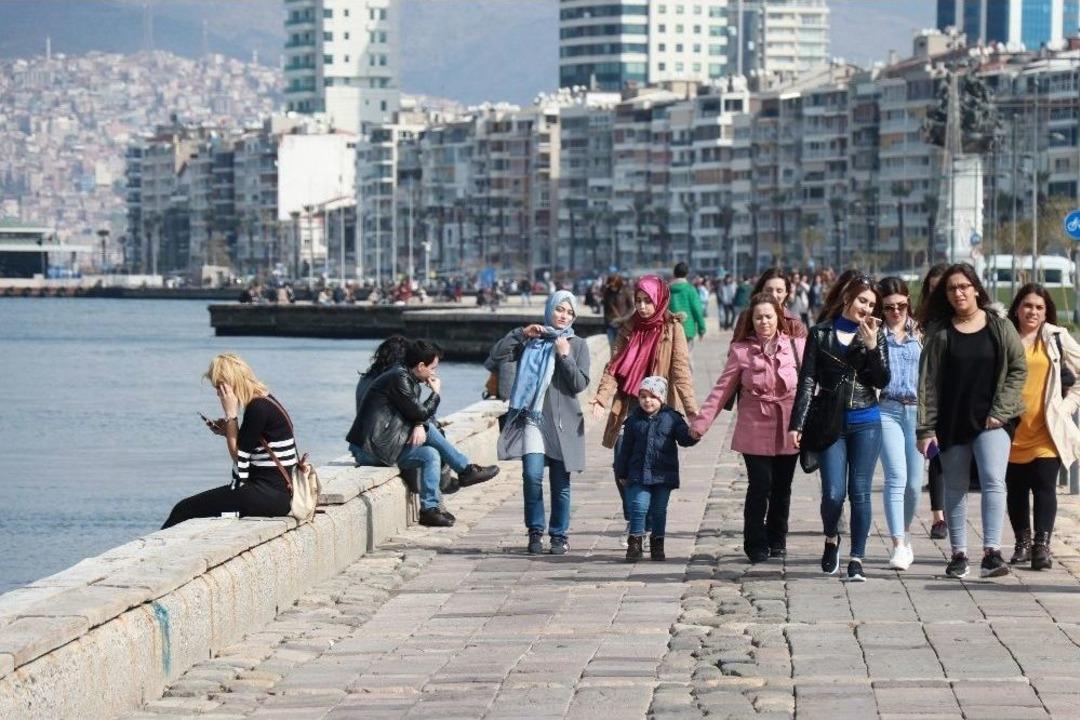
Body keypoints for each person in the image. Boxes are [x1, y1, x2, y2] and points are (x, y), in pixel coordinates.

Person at [917, 264, 1027, 579]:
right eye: (952, 288)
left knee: (993, 479)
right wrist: (925, 428)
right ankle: (959, 554)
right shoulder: (940, 332)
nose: (959, 293)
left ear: (976, 288)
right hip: (952, 420)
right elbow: (926, 383)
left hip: (992, 420)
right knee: (955, 486)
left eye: (964, 286)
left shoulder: (999, 326)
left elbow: (1018, 367)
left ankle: (992, 553)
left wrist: (1001, 410)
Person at [790, 274, 889, 582]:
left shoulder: (875, 335)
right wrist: (797, 423)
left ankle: (857, 558)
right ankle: (831, 537)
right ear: (848, 298)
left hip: (866, 421)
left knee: (860, 492)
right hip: (830, 422)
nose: (866, 308)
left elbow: (882, 380)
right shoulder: (820, 333)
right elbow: (807, 380)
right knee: (833, 494)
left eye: (871, 304)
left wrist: (872, 348)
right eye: (862, 300)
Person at [691, 293, 804, 562]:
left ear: (778, 317)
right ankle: (755, 542)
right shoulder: (741, 351)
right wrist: (700, 423)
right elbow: (722, 389)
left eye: (769, 316)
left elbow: (811, 385)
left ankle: (777, 538)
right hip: (754, 425)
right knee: (759, 485)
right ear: (751, 321)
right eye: (758, 317)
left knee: (782, 487)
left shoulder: (797, 346)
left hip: (789, 424)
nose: (764, 322)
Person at [346, 340, 499, 527]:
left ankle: (430, 509)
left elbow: (414, 413)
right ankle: (465, 470)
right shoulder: (398, 378)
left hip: (385, 444)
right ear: (420, 366)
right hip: (370, 450)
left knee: (430, 454)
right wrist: (435, 393)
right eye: (432, 368)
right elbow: (419, 412)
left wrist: (419, 423)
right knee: (430, 429)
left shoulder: (406, 377)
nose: (434, 373)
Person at [591, 275, 699, 538]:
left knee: (654, 463)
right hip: (629, 404)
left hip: (658, 407)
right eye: (638, 300)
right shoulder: (629, 327)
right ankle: (635, 516)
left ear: (659, 300)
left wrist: (692, 410)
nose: (641, 306)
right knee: (621, 463)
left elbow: (680, 371)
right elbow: (613, 367)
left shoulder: (672, 329)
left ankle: (646, 521)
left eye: (647, 301)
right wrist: (602, 397)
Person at [491, 291, 591, 555]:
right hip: (532, 418)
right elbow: (496, 357)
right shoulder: (530, 340)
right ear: (549, 309)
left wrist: (565, 356)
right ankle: (535, 531)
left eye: (569, 312)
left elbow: (579, 384)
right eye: (559, 309)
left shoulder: (577, 344)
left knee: (561, 484)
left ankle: (559, 535)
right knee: (532, 476)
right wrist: (520, 334)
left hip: (563, 424)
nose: (564, 316)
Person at [163, 354, 294, 528]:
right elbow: (250, 445)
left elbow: (239, 458)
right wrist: (228, 432)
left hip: (268, 495)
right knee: (192, 509)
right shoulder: (266, 400)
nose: (218, 394)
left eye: (219, 387)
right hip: (277, 495)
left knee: (183, 509)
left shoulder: (258, 408)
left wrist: (231, 415)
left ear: (230, 383)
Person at [1005, 284, 1080, 569]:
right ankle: (1022, 543)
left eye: (1039, 307)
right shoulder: (1005, 336)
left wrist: (1067, 406)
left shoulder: (1056, 337)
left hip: (1047, 429)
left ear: (1046, 312)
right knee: (1015, 489)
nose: (1032, 312)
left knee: (1044, 486)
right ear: (1017, 308)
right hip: (1010, 428)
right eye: (1027, 305)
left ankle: (1042, 546)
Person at [615, 376, 698, 561]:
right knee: (639, 506)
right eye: (643, 396)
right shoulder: (633, 420)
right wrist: (622, 472)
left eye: (652, 396)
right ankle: (635, 543)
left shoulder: (672, 418)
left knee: (659, 510)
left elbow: (684, 439)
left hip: (663, 473)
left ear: (661, 398)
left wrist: (695, 433)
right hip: (638, 473)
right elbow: (625, 449)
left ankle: (657, 543)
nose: (647, 401)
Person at [876, 277, 923, 571]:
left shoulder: (921, 332)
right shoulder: (875, 334)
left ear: (908, 303)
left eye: (901, 306)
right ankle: (897, 545)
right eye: (889, 307)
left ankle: (905, 535)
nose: (896, 312)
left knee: (914, 485)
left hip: (918, 412)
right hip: (887, 409)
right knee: (896, 477)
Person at [915, 263, 950, 539]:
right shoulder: (921, 322)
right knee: (935, 455)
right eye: (933, 288)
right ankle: (939, 517)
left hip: (958, 397)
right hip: (930, 396)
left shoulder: (964, 319)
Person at [747, 268, 808, 338]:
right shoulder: (746, 319)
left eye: (779, 291)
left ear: (786, 293)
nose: (773, 295)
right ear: (761, 291)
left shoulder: (795, 324)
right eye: (768, 290)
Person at [669, 262, 707, 351]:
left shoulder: (667, 290)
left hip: (671, 330)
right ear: (686, 274)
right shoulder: (690, 289)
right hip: (687, 329)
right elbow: (697, 310)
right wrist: (701, 329)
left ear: (674, 274)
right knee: (686, 356)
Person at [602, 274, 635, 349]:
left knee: (622, 347)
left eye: (614, 285)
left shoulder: (625, 292)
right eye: (611, 285)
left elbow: (631, 307)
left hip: (623, 324)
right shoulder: (607, 293)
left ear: (619, 284)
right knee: (612, 347)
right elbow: (606, 309)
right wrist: (608, 320)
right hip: (610, 324)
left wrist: (623, 319)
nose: (612, 287)